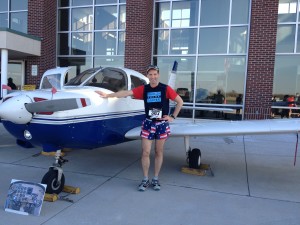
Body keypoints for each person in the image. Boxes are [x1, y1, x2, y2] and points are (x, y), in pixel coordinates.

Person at [95, 65, 183, 191]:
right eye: (150, 74)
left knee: (158, 152)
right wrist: (108, 95)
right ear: (148, 76)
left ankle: (156, 178)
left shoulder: (165, 88)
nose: (153, 77)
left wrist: (172, 117)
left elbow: (180, 102)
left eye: (155, 74)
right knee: (145, 152)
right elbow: (126, 93)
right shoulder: (144, 89)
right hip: (148, 123)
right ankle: (145, 179)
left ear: (158, 75)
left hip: (161, 124)